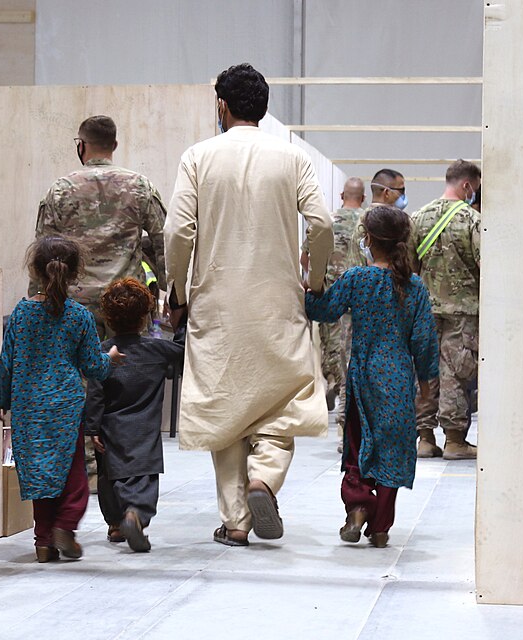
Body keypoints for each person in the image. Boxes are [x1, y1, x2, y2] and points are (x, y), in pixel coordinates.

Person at [165, 63, 334, 547]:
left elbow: (178, 232)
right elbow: (320, 223)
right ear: (264, 106)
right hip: (278, 300)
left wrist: (177, 292)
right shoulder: (291, 157)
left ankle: (236, 520)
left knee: (227, 406)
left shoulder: (198, 156)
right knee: (283, 399)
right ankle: (265, 479)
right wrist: (313, 278)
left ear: (222, 105)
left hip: (216, 303)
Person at [34, 115, 168, 491]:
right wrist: (172, 295)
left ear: (82, 145)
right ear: (114, 145)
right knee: (125, 385)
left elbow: (43, 250)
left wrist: (38, 299)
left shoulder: (61, 189)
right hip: (126, 303)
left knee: (78, 384)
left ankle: (85, 469)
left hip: (72, 305)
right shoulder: (140, 187)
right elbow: (164, 242)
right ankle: (123, 468)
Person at [305, 205, 439, 547]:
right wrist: (426, 382)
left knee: (358, 446)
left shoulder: (356, 279)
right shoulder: (415, 287)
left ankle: (358, 506)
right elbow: (423, 341)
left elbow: (323, 310)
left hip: (363, 376)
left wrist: (310, 283)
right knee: (392, 452)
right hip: (398, 378)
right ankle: (380, 529)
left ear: (366, 239)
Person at [0, 236, 125, 563]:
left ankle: (43, 543)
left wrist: (0, 397)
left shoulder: (22, 314)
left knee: (40, 474)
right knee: (72, 474)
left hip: (27, 405)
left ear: (35, 269)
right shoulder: (79, 316)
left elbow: (7, 360)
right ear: (75, 272)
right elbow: (93, 366)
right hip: (65, 405)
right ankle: (65, 525)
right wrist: (111, 358)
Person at [85, 278, 184, 553]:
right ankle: (136, 515)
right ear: (144, 317)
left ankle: (116, 524)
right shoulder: (157, 350)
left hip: (110, 429)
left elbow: (95, 392)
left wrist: (92, 428)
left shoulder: (104, 353)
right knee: (143, 479)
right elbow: (185, 349)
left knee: (109, 479)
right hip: (145, 430)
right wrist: (183, 319)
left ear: (108, 318)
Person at [409, 160, 481, 460]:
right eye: (475, 188)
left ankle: (424, 438)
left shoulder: (417, 217)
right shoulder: (472, 220)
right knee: (455, 372)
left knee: (424, 372)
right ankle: (454, 440)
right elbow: (483, 262)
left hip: (425, 309)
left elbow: (410, 266)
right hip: (463, 312)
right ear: (466, 185)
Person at [307, 177, 365, 433]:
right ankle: (346, 403)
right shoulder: (367, 222)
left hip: (330, 298)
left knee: (332, 349)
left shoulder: (327, 222)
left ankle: (332, 381)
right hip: (358, 300)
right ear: (363, 198)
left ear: (342, 195)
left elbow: (305, 258)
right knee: (350, 353)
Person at [352, 168, 407, 264]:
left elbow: (355, 262)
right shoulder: (402, 223)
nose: (403, 195)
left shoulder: (360, 221)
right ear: (386, 193)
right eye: (401, 190)